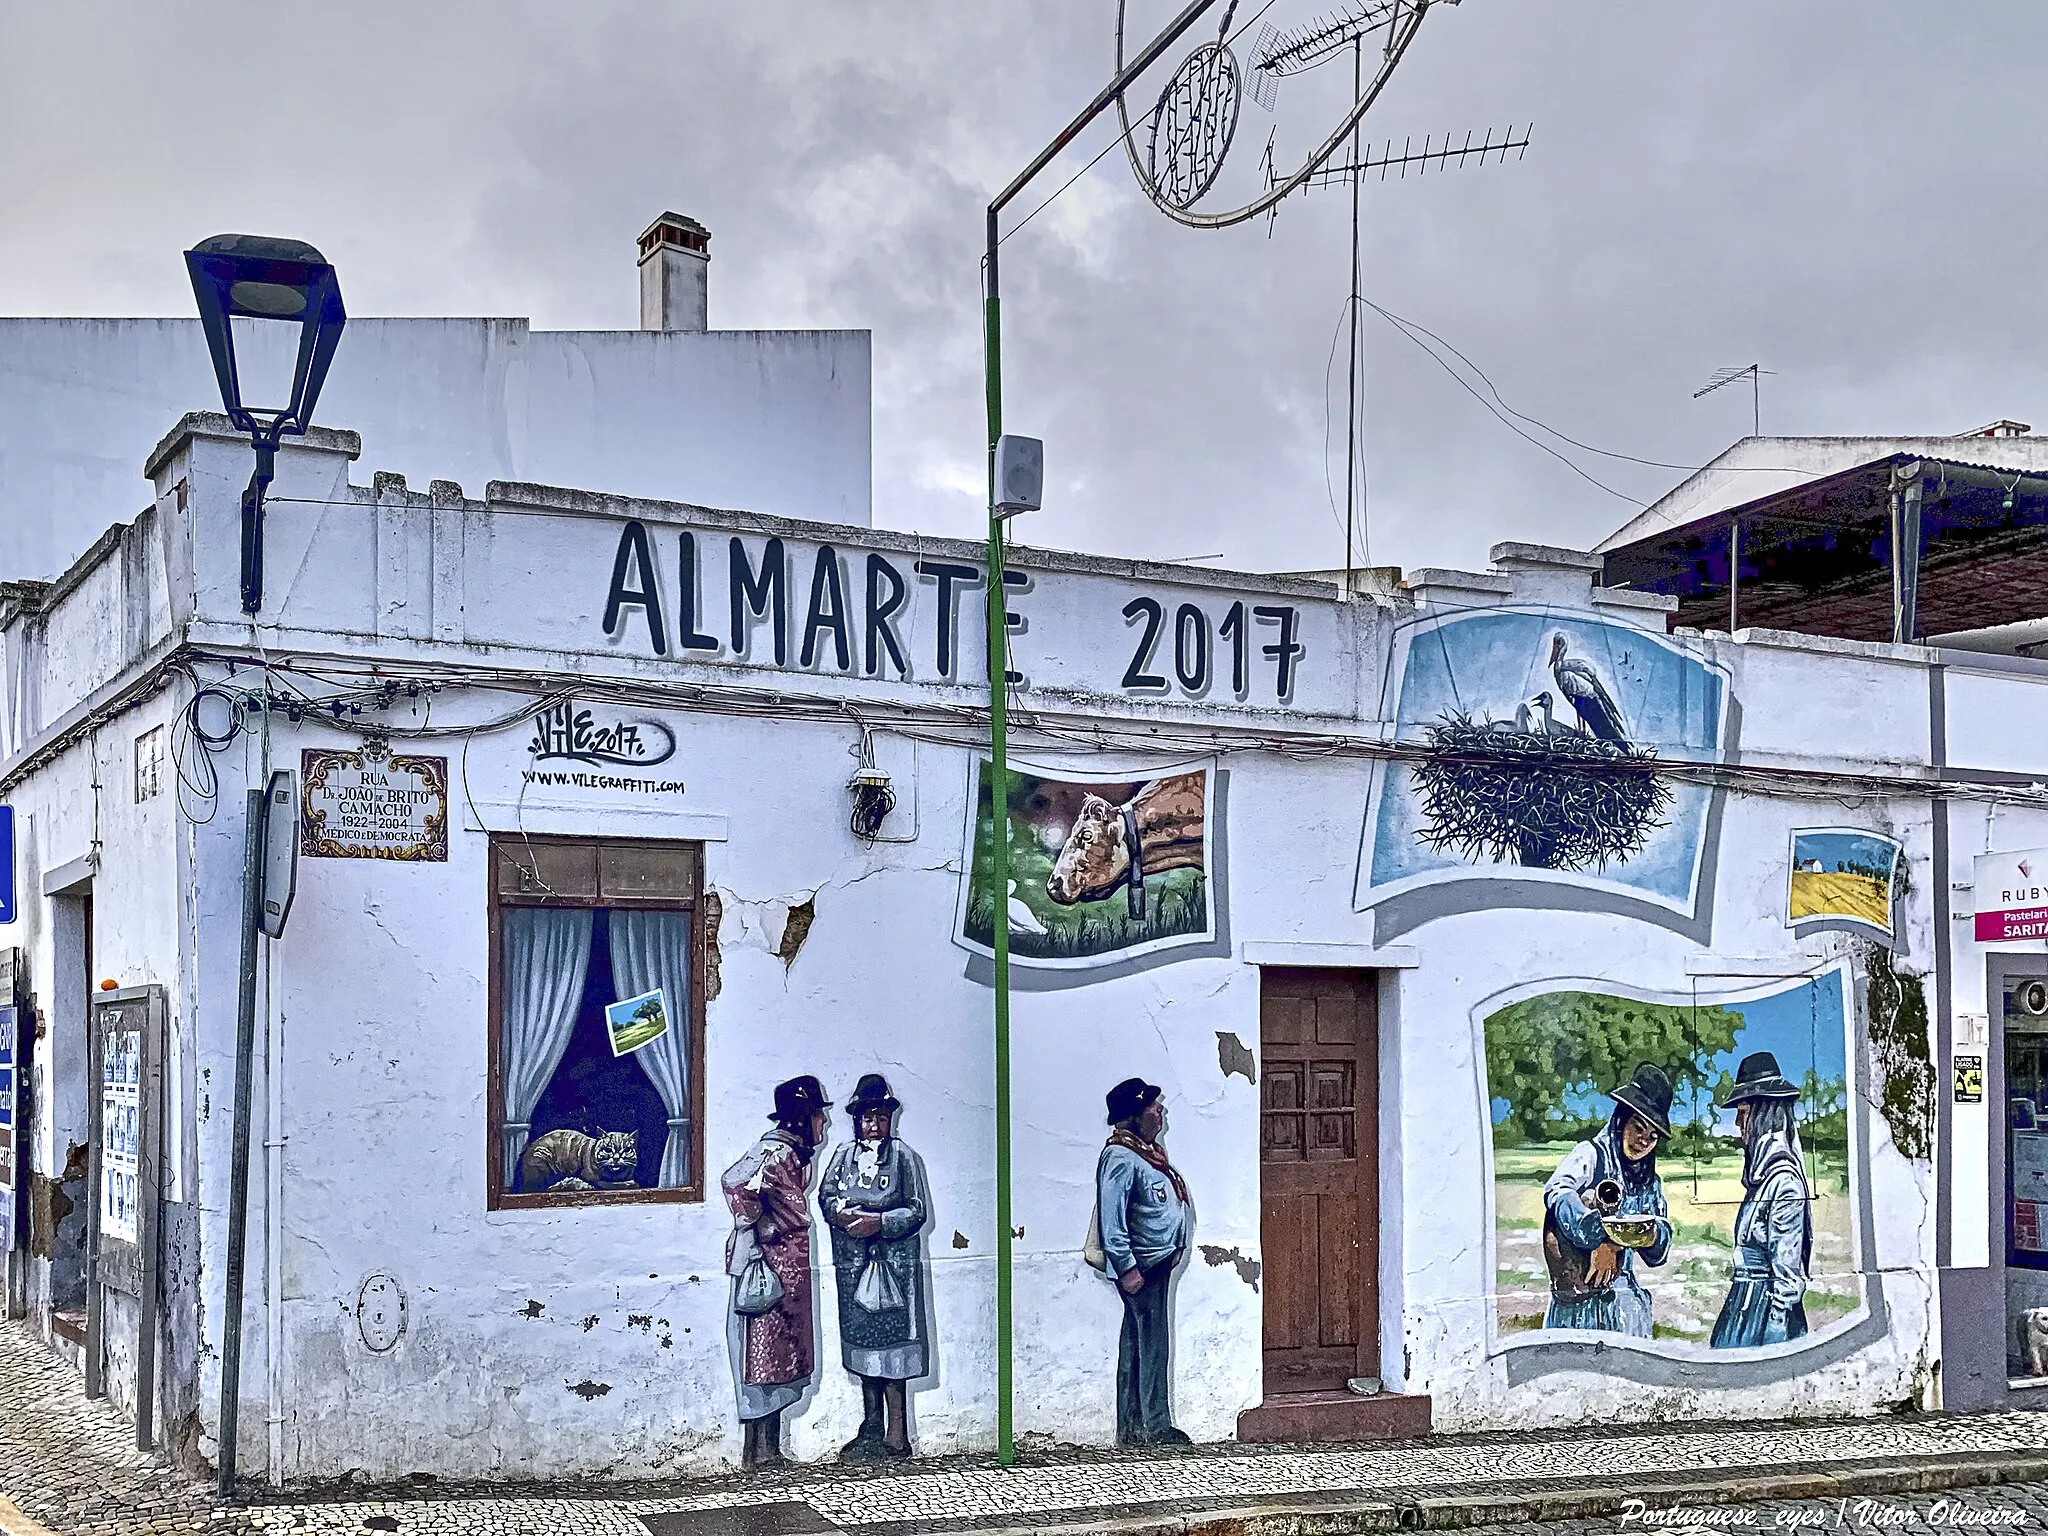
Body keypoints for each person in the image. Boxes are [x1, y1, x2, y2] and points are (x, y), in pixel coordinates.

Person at [819, 1073, 933, 1462]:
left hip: (894, 1274)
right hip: (854, 1271)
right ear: (856, 1120)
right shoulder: (842, 1158)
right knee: (865, 1351)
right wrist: (842, 1215)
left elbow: (916, 1209)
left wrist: (880, 1223)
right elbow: (826, 1195)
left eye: (881, 1117)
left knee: (893, 1354)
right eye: (868, 1117)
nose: (874, 1125)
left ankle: (896, 1433)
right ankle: (870, 1427)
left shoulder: (903, 1158)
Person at [722, 1074, 831, 1470]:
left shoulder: (794, 1155)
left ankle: (765, 1449)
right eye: (818, 1114)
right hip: (767, 1272)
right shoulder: (777, 1153)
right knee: (763, 1358)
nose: (823, 1123)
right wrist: (759, 1220)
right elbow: (736, 1183)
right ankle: (762, 1451)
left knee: (778, 1358)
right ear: (803, 1118)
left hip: (786, 1269)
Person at [1540, 1063, 1674, 1336]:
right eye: (1638, 1128)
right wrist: (1595, 1234)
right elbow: (1557, 1191)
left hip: (1623, 1304)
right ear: (1622, 1120)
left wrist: (1615, 1245)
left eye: (1652, 1136)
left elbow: (1659, 1245)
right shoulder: (1590, 1154)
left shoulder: (1649, 1181)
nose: (1643, 1141)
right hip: (1580, 1300)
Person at [1097, 1077, 1192, 1448]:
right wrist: (1127, 1267)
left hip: (1155, 1262)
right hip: (1143, 1266)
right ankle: (1156, 1426)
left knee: (1137, 1344)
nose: (1161, 1112)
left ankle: (1133, 1428)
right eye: (1154, 1107)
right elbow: (1112, 1218)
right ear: (1136, 1116)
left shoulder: (1144, 1154)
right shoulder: (1120, 1158)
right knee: (1152, 1345)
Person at [1710, 1051, 1813, 1349]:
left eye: (1744, 1114)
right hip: (1745, 1305)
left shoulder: (1785, 1184)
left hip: (1764, 1313)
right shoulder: (1762, 1179)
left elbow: (1787, 1273)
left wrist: (1775, 1331)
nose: (1739, 1125)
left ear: (1764, 1116)